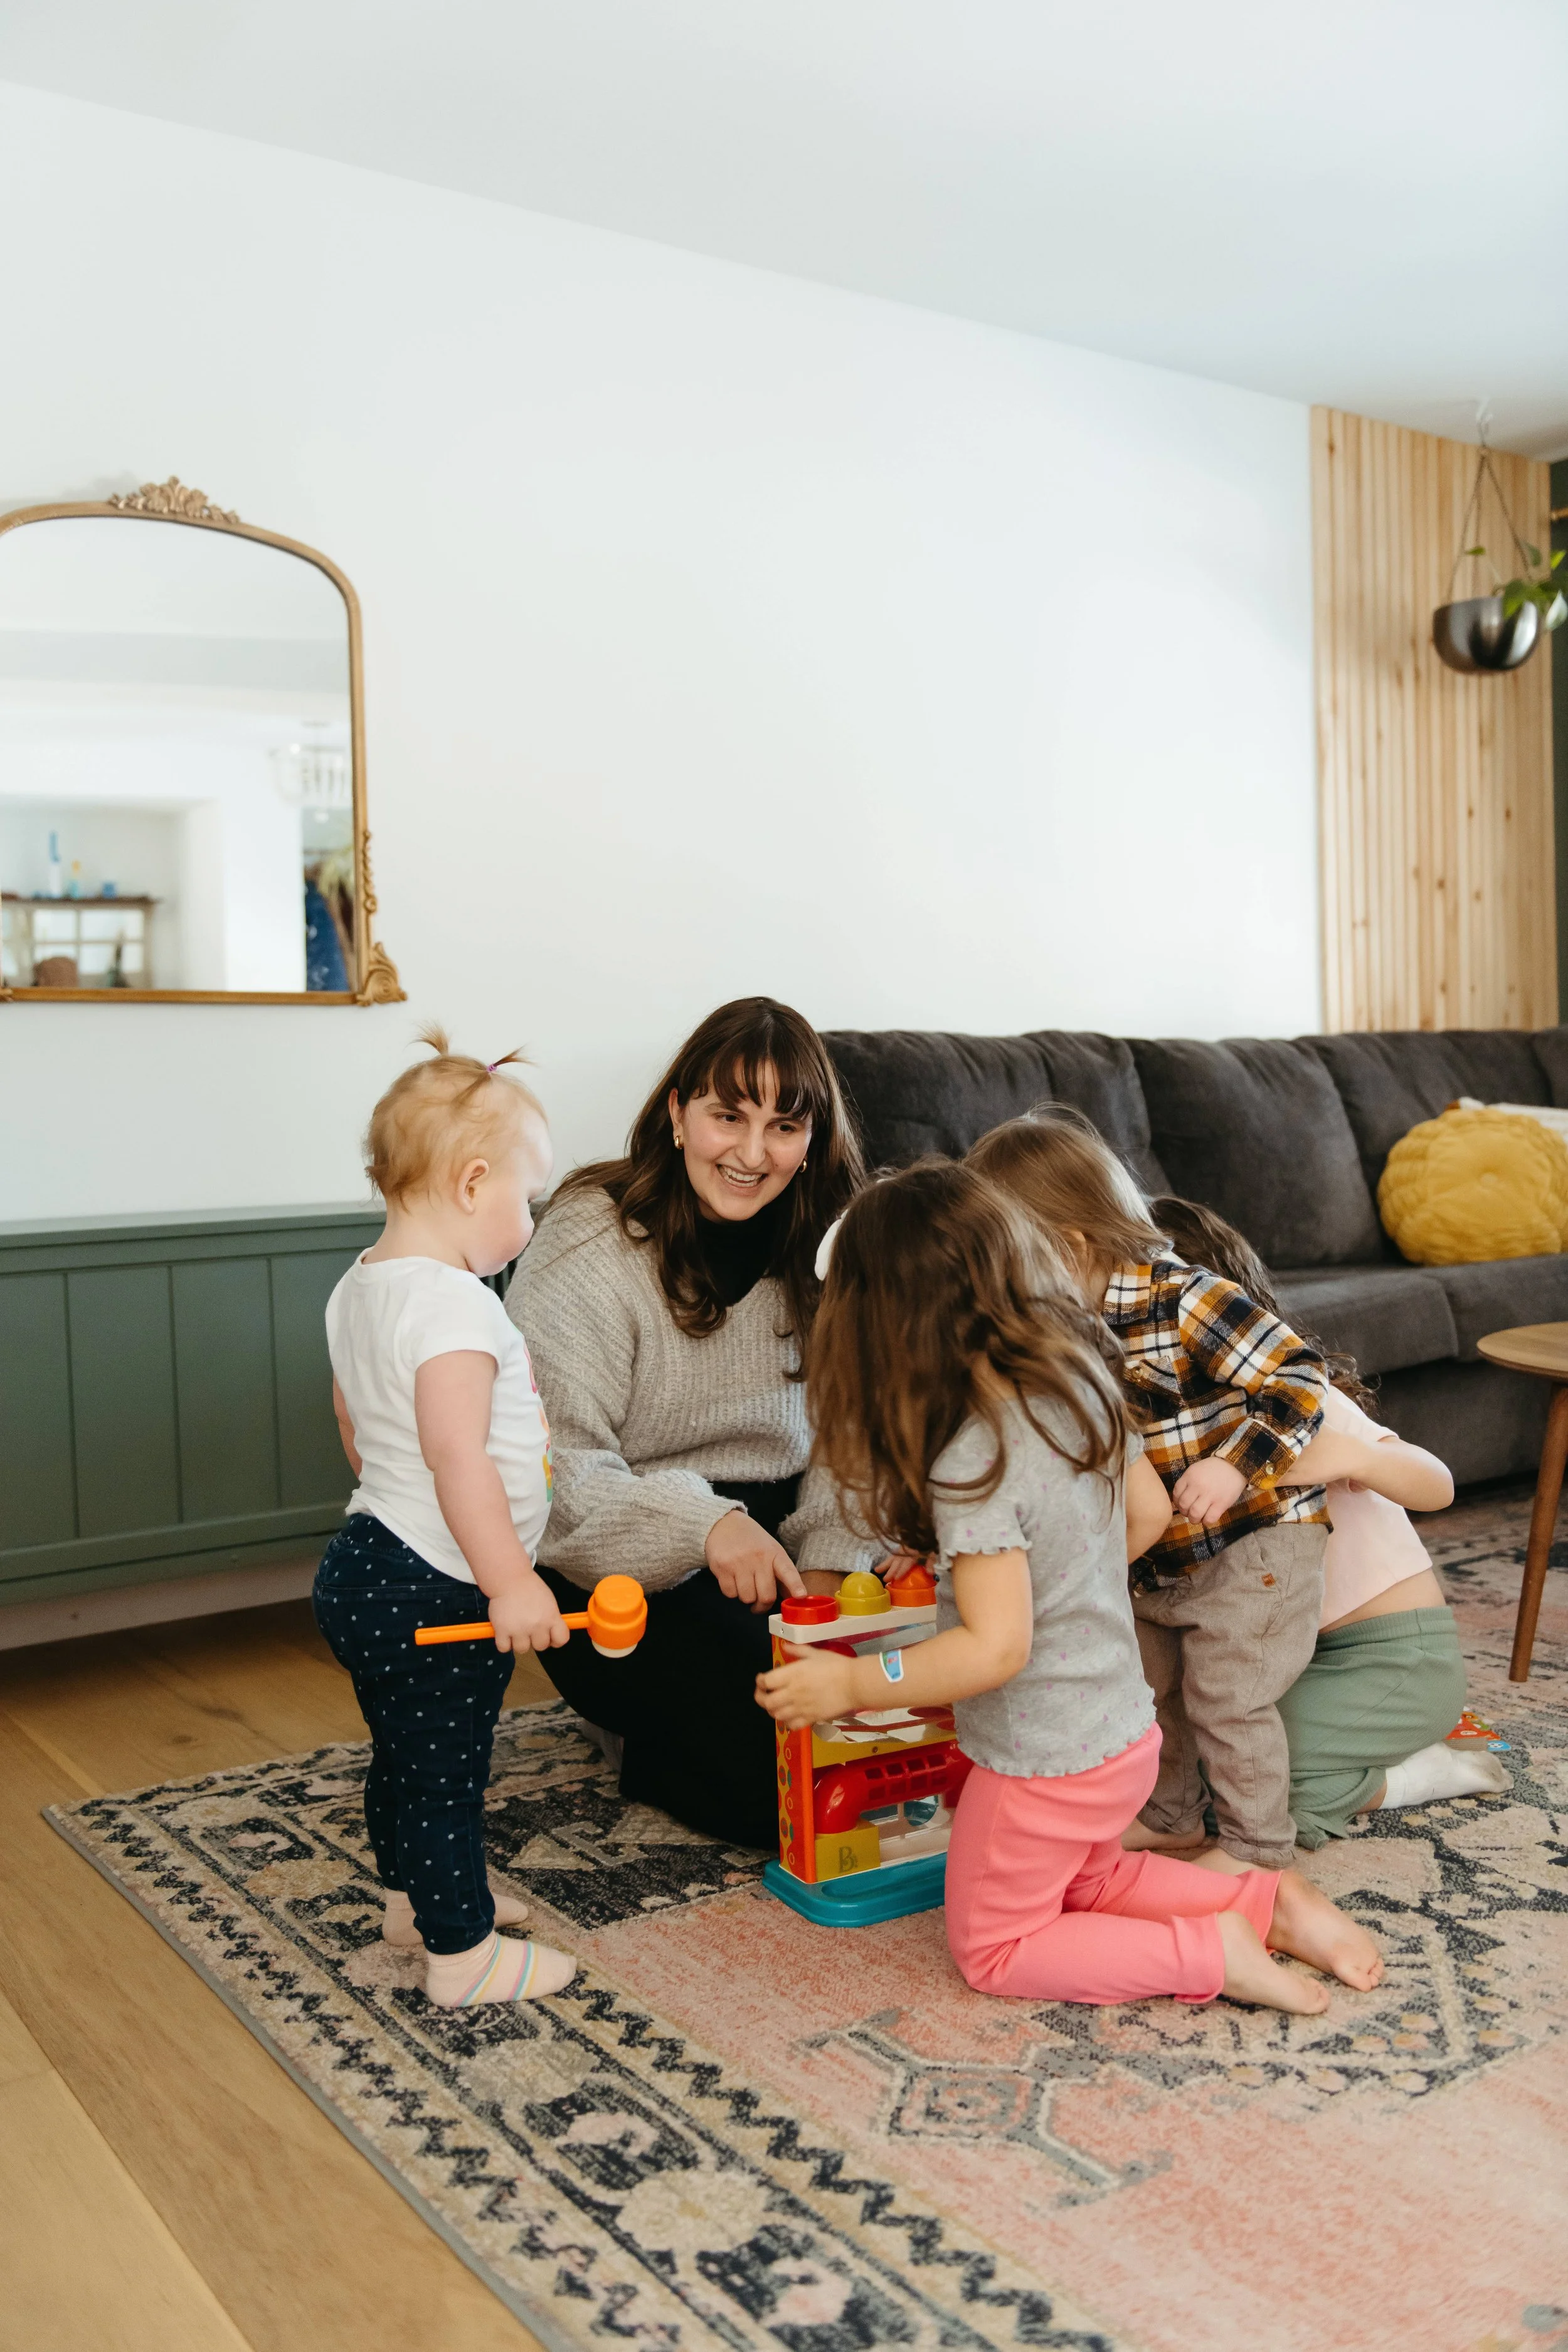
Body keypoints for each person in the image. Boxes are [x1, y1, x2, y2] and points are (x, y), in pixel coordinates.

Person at [755, 1162, 1382, 2010]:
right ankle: (1268, 1902)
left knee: (996, 1946)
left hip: (1043, 1761)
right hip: (1121, 1732)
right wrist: (1028, 1568)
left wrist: (855, 1679)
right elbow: (1143, 1516)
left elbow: (998, 1646)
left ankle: (1210, 1952)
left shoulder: (968, 1455)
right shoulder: (1080, 1384)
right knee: (1090, 1883)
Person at [507, 997, 877, 1849]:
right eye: (726, 1116)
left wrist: (828, 1573)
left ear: (812, 1139)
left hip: (785, 1539)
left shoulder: (839, 1241)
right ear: (677, 1113)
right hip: (622, 1555)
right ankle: (641, 1732)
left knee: (919, 1688)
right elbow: (551, 1474)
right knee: (783, 1785)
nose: (752, 1154)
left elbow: (857, 1441)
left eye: (784, 1126)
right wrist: (706, 1526)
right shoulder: (588, 1235)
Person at [968, 1109, 1330, 1871]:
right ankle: (1171, 1816)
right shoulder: (1059, 1326)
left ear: (1068, 1249)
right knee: (1148, 1689)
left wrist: (1234, 1464)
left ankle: (1258, 1848)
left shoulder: (1185, 1298)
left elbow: (1301, 1374)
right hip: (1160, 1554)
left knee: (1228, 1699)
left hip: (1253, 1540)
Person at [315, 1029, 576, 2007]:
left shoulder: (361, 1287)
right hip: (436, 1581)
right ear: (473, 1184)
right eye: (527, 1197)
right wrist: (510, 1577)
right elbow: (455, 1453)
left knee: (404, 1749)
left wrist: (398, 1510)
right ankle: (461, 1954)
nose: (530, 1220)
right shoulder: (458, 1305)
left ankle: (410, 1897)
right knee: (445, 1771)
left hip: (371, 1558)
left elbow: (353, 1420)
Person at [1151, 1196, 1508, 1842]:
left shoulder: (1297, 1411)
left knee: (1273, 1782)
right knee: (1212, 1764)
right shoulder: (1169, 1437)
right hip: (1289, 1660)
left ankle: (1421, 1774)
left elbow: (1437, 1485)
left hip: (1396, 1662)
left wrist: (1349, 1456)